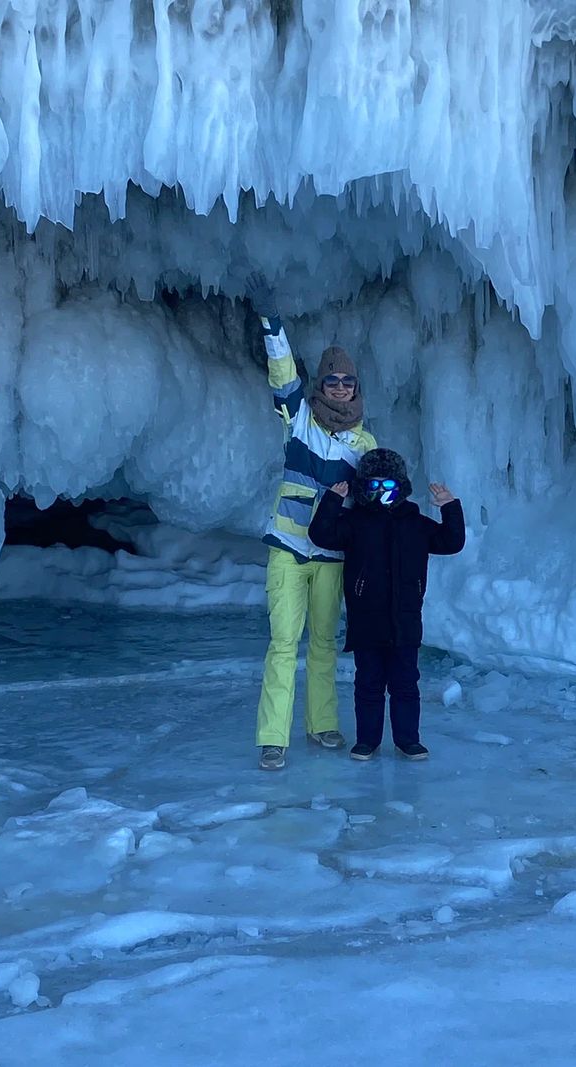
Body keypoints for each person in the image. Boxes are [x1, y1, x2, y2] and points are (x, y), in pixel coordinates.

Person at [245, 272, 377, 771]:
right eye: (332, 381)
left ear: (355, 388)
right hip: (287, 547)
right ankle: (272, 738)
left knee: (323, 643)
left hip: (331, 555)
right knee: (283, 643)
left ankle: (322, 724)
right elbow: (282, 373)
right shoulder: (299, 418)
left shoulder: (364, 443)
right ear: (321, 385)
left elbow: (377, 498)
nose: (340, 388)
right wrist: (271, 320)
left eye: (347, 382)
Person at [308, 448, 465, 760]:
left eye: (388, 485)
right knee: (368, 684)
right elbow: (321, 535)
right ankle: (367, 740)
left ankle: (408, 740)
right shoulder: (355, 522)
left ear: (400, 487)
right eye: (374, 485)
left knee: (405, 684)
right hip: (366, 620)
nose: (381, 492)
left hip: (405, 620)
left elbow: (451, 542)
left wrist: (450, 507)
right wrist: (332, 501)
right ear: (364, 488)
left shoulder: (416, 524)